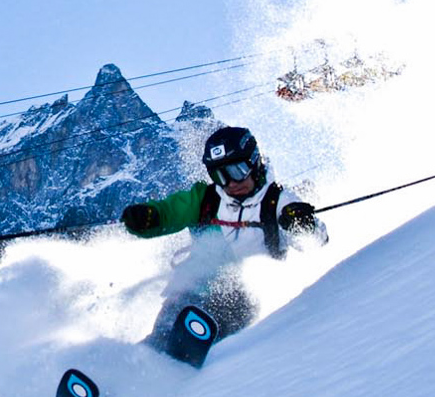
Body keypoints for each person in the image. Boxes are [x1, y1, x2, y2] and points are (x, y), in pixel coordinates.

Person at [120, 126, 326, 344]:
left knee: (220, 316)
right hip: (193, 291)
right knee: (163, 333)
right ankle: (137, 365)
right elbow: (171, 212)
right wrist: (148, 217)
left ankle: (193, 364)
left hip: (243, 300)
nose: (231, 183)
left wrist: (302, 224)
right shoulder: (206, 199)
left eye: (237, 171)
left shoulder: (277, 202)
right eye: (220, 175)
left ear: (254, 162)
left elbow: (315, 242)